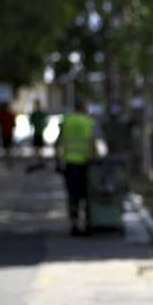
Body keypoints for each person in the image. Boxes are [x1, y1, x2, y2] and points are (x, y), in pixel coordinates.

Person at [56, 98, 97, 236]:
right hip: (86, 164)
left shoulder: (66, 121)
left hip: (70, 164)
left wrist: (57, 161)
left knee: (73, 196)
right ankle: (88, 224)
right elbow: (92, 142)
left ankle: (74, 225)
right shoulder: (89, 122)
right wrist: (95, 158)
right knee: (87, 195)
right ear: (84, 107)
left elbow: (58, 142)